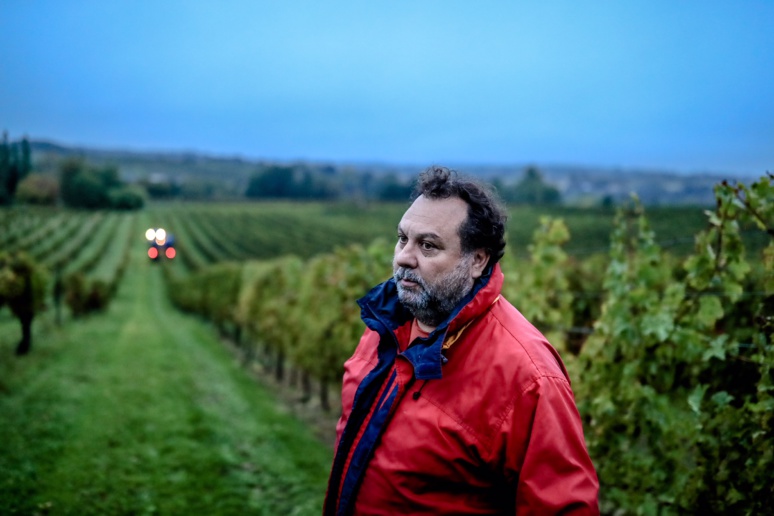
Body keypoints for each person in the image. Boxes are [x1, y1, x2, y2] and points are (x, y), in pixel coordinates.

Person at [324, 166, 599, 515]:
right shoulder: (384, 326)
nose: (404, 257)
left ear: (477, 260)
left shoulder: (528, 377)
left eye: (428, 245)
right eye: (402, 238)